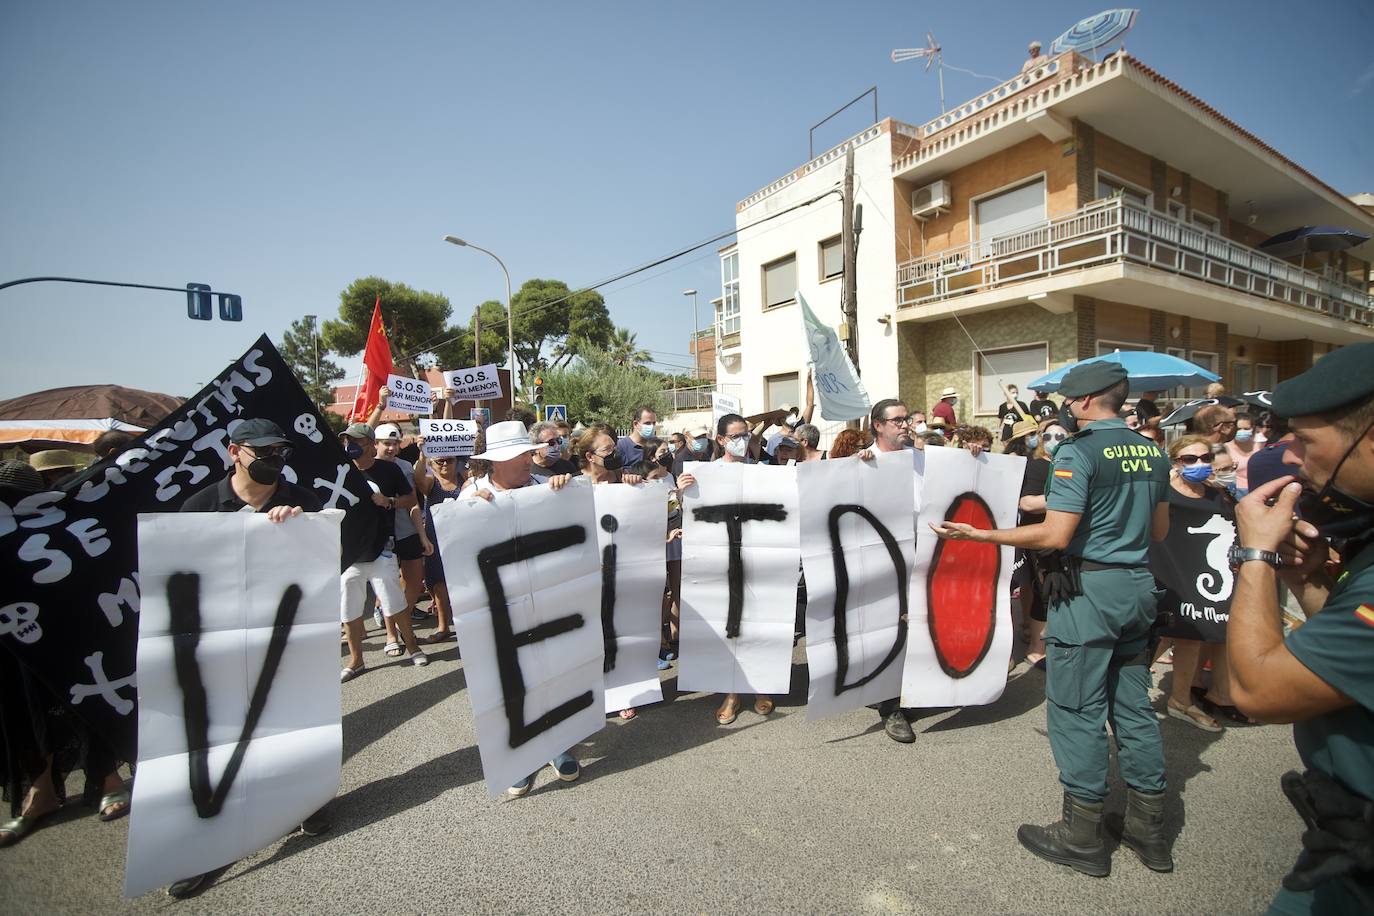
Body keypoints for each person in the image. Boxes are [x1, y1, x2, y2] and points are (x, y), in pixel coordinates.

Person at [932, 361, 1173, 877]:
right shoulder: (1153, 450)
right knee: (1132, 705)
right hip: (1136, 587)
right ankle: (1147, 828)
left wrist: (978, 536)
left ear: (1085, 402)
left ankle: (1081, 836)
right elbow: (1157, 529)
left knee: (1077, 708)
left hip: (1089, 593)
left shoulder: (1077, 451)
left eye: (1068, 399)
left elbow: (1055, 537)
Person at [1227, 341, 1374, 915]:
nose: (1288, 456)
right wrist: (1304, 582)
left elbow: (1257, 691)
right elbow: (1342, 660)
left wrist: (1256, 555)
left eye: (1305, 441)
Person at [171, 418, 330, 897]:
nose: (273, 457)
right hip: (219, 643)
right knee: (218, 738)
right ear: (234, 452)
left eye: (279, 449)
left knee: (291, 726)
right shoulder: (198, 507)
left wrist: (304, 532)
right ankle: (208, 843)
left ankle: (305, 803)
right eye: (261, 449)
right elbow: (178, 578)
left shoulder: (307, 501)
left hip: (288, 641)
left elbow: (332, 564)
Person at [0, 460, 131, 850]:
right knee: (21, 709)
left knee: (86, 698)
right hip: (13, 637)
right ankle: (40, 790)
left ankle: (106, 776)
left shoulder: (65, 519)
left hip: (70, 627)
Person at [455, 421, 581, 797]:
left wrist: (564, 492)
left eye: (528, 453)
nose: (527, 461)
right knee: (511, 679)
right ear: (495, 463)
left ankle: (556, 743)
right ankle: (521, 755)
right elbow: (457, 550)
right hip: (499, 609)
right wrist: (468, 514)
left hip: (546, 602)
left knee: (551, 671)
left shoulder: (547, 487)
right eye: (517, 456)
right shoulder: (472, 495)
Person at [1151, 435, 1229, 733]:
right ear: (1175, 463)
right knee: (1158, 635)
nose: (1200, 464)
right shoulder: (1161, 493)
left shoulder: (1217, 496)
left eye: (1205, 458)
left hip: (1200, 576)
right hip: (1164, 573)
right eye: (1190, 459)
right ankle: (1120, 689)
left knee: (1192, 636)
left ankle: (1180, 700)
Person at [338, 423, 428, 682]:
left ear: (369, 444)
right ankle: (356, 660)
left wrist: (388, 502)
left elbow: (411, 500)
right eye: (347, 441)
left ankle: (412, 646)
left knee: (395, 602)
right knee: (350, 609)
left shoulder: (389, 470)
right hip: (349, 555)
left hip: (382, 549)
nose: (350, 446)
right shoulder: (341, 471)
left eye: (356, 441)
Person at [859, 399, 926, 743]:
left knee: (918, 626)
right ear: (878, 425)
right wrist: (856, 472)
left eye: (906, 419)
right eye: (897, 420)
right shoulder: (862, 463)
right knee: (887, 630)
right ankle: (890, 706)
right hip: (882, 561)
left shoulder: (922, 458)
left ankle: (910, 691)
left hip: (922, 554)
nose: (905, 425)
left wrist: (973, 455)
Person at [704, 413, 775, 727]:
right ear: (721, 440)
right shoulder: (707, 473)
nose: (742, 440)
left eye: (745, 434)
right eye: (735, 435)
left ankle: (760, 684)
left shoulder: (762, 471)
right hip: (723, 563)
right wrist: (684, 489)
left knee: (757, 622)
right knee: (730, 625)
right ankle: (732, 692)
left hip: (758, 560)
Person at [373, 422, 435, 645]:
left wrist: (422, 535)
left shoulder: (405, 467)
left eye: (395, 444)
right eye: (386, 444)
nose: (391, 448)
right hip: (381, 534)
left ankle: (403, 624)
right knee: (387, 584)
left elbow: (413, 504)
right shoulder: (365, 467)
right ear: (375, 444)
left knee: (414, 580)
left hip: (407, 530)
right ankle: (391, 635)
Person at [1004, 419, 1050, 668]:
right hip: (1018, 527)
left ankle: (1027, 629)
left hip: (1027, 528)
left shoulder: (1041, 462)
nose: (1036, 438)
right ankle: (1021, 639)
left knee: (1029, 582)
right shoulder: (1013, 461)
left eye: (1036, 433)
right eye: (1031, 434)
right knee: (1022, 582)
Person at [411, 438, 465, 644]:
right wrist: (422, 454)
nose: (444, 464)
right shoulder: (431, 483)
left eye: (448, 461)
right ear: (432, 464)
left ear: (456, 461)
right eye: (439, 461)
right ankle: (443, 626)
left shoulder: (465, 479)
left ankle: (464, 623)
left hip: (461, 539)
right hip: (436, 539)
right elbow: (418, 479)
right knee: (439, 585)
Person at [1224, 414, 1259, 497]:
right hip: (1237, 492)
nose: (1242, 431)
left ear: (1252, 428)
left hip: (1258, 488)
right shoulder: (1225, 448)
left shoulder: (1259, 445)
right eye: (1238, 429)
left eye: (1246, 429)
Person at [615, 404, 659, 469]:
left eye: (654, 423)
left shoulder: (657, 444)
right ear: (635, 424)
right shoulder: (621, 446)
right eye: (647, 423)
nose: (651, 427)